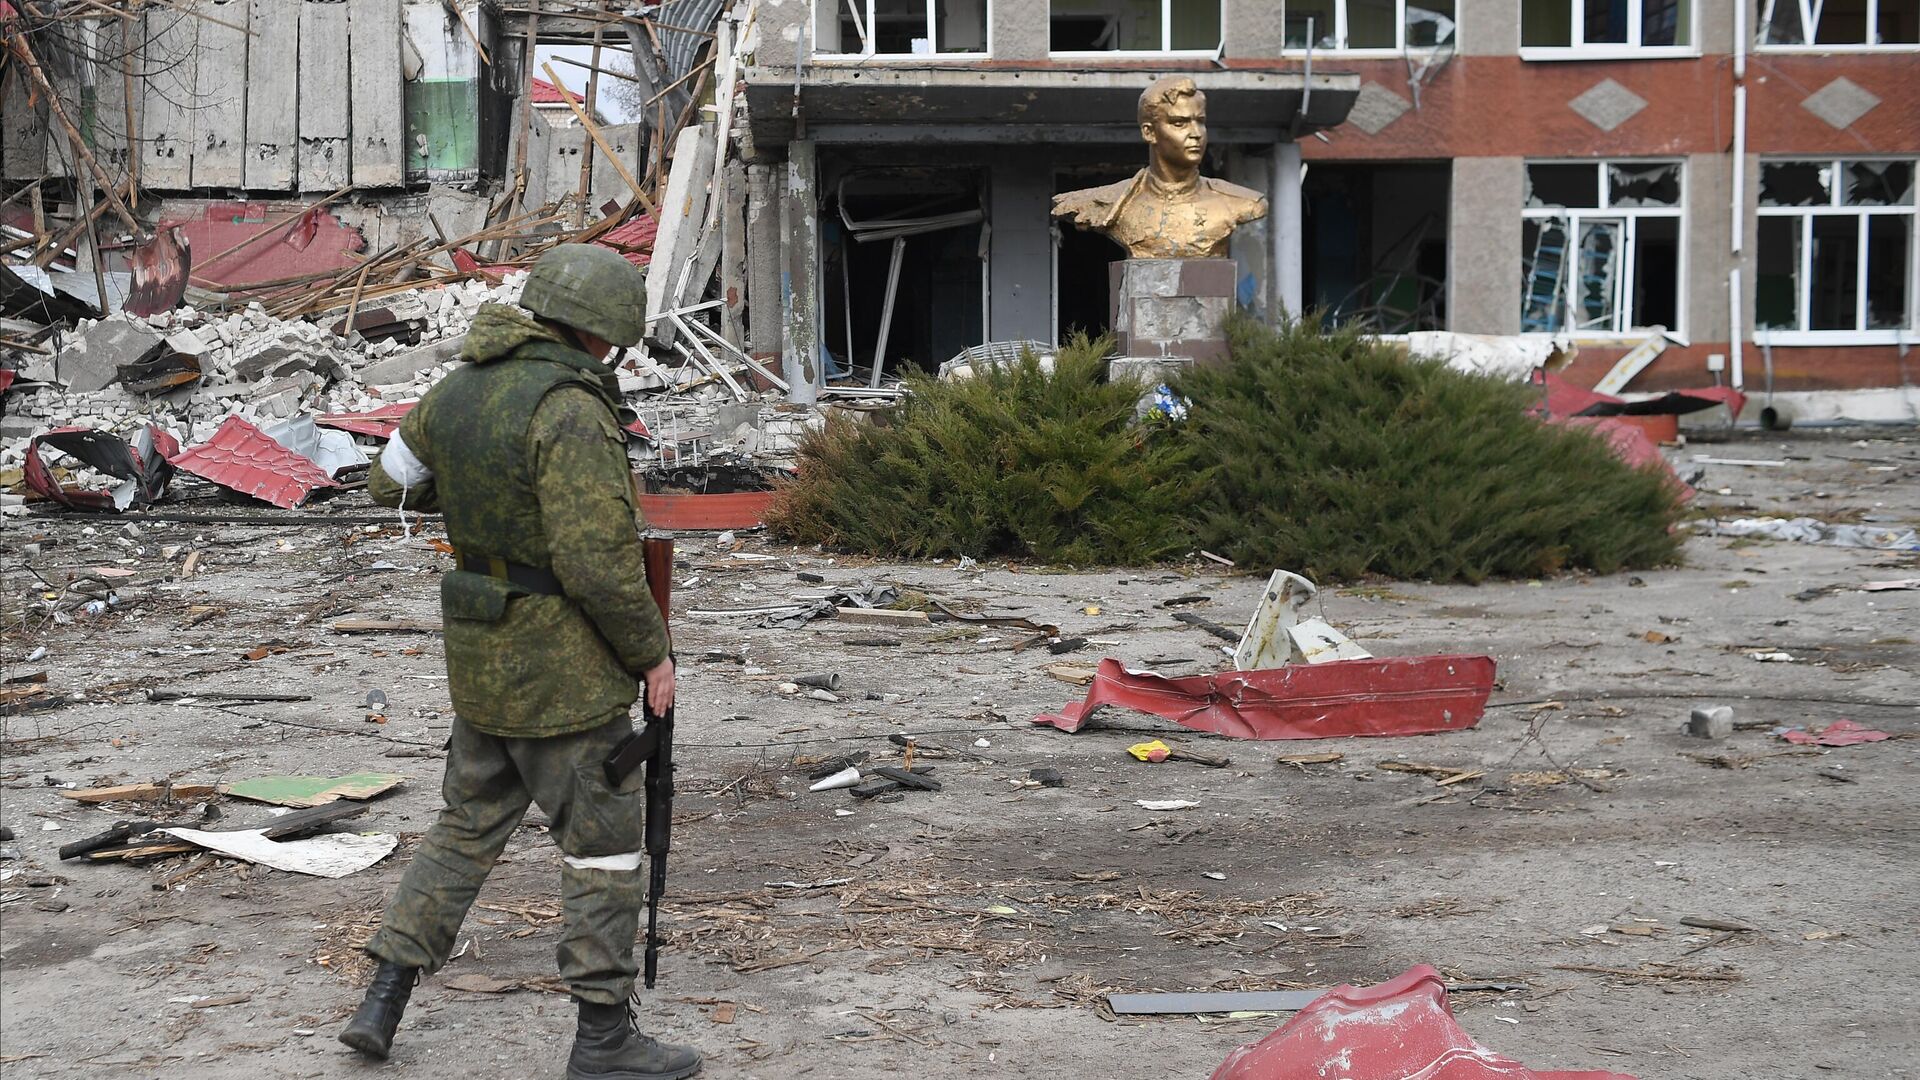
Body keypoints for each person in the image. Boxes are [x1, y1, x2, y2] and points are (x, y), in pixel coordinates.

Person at [339, 244, 701, 1080]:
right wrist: (652, 655)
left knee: (464, 828)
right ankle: (605, 1038)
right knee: (605, 844)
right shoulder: (568, 407)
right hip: (563, 673)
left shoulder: (459, 387)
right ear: (603, 332)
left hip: (481, 658)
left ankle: (382, 999)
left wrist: (469, 485)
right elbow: (597, 561)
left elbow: (389, 482)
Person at [1051, 74, 1268, 260]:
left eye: (1200, 121)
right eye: (1179, 123)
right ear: (1149, 132)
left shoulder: (1240, 202)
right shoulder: (1108, 203)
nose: (1196, 133)